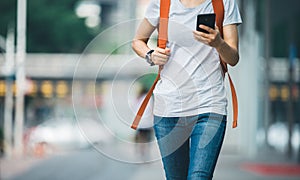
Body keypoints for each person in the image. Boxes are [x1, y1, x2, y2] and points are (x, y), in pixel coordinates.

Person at [132, 0, 242, 179]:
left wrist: (219, 43)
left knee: (199, 177)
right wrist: (151, 55)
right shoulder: (162, 3)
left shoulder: (224, 3)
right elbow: (138, 41)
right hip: (169, 109)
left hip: (209, 106)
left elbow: (233, 58)